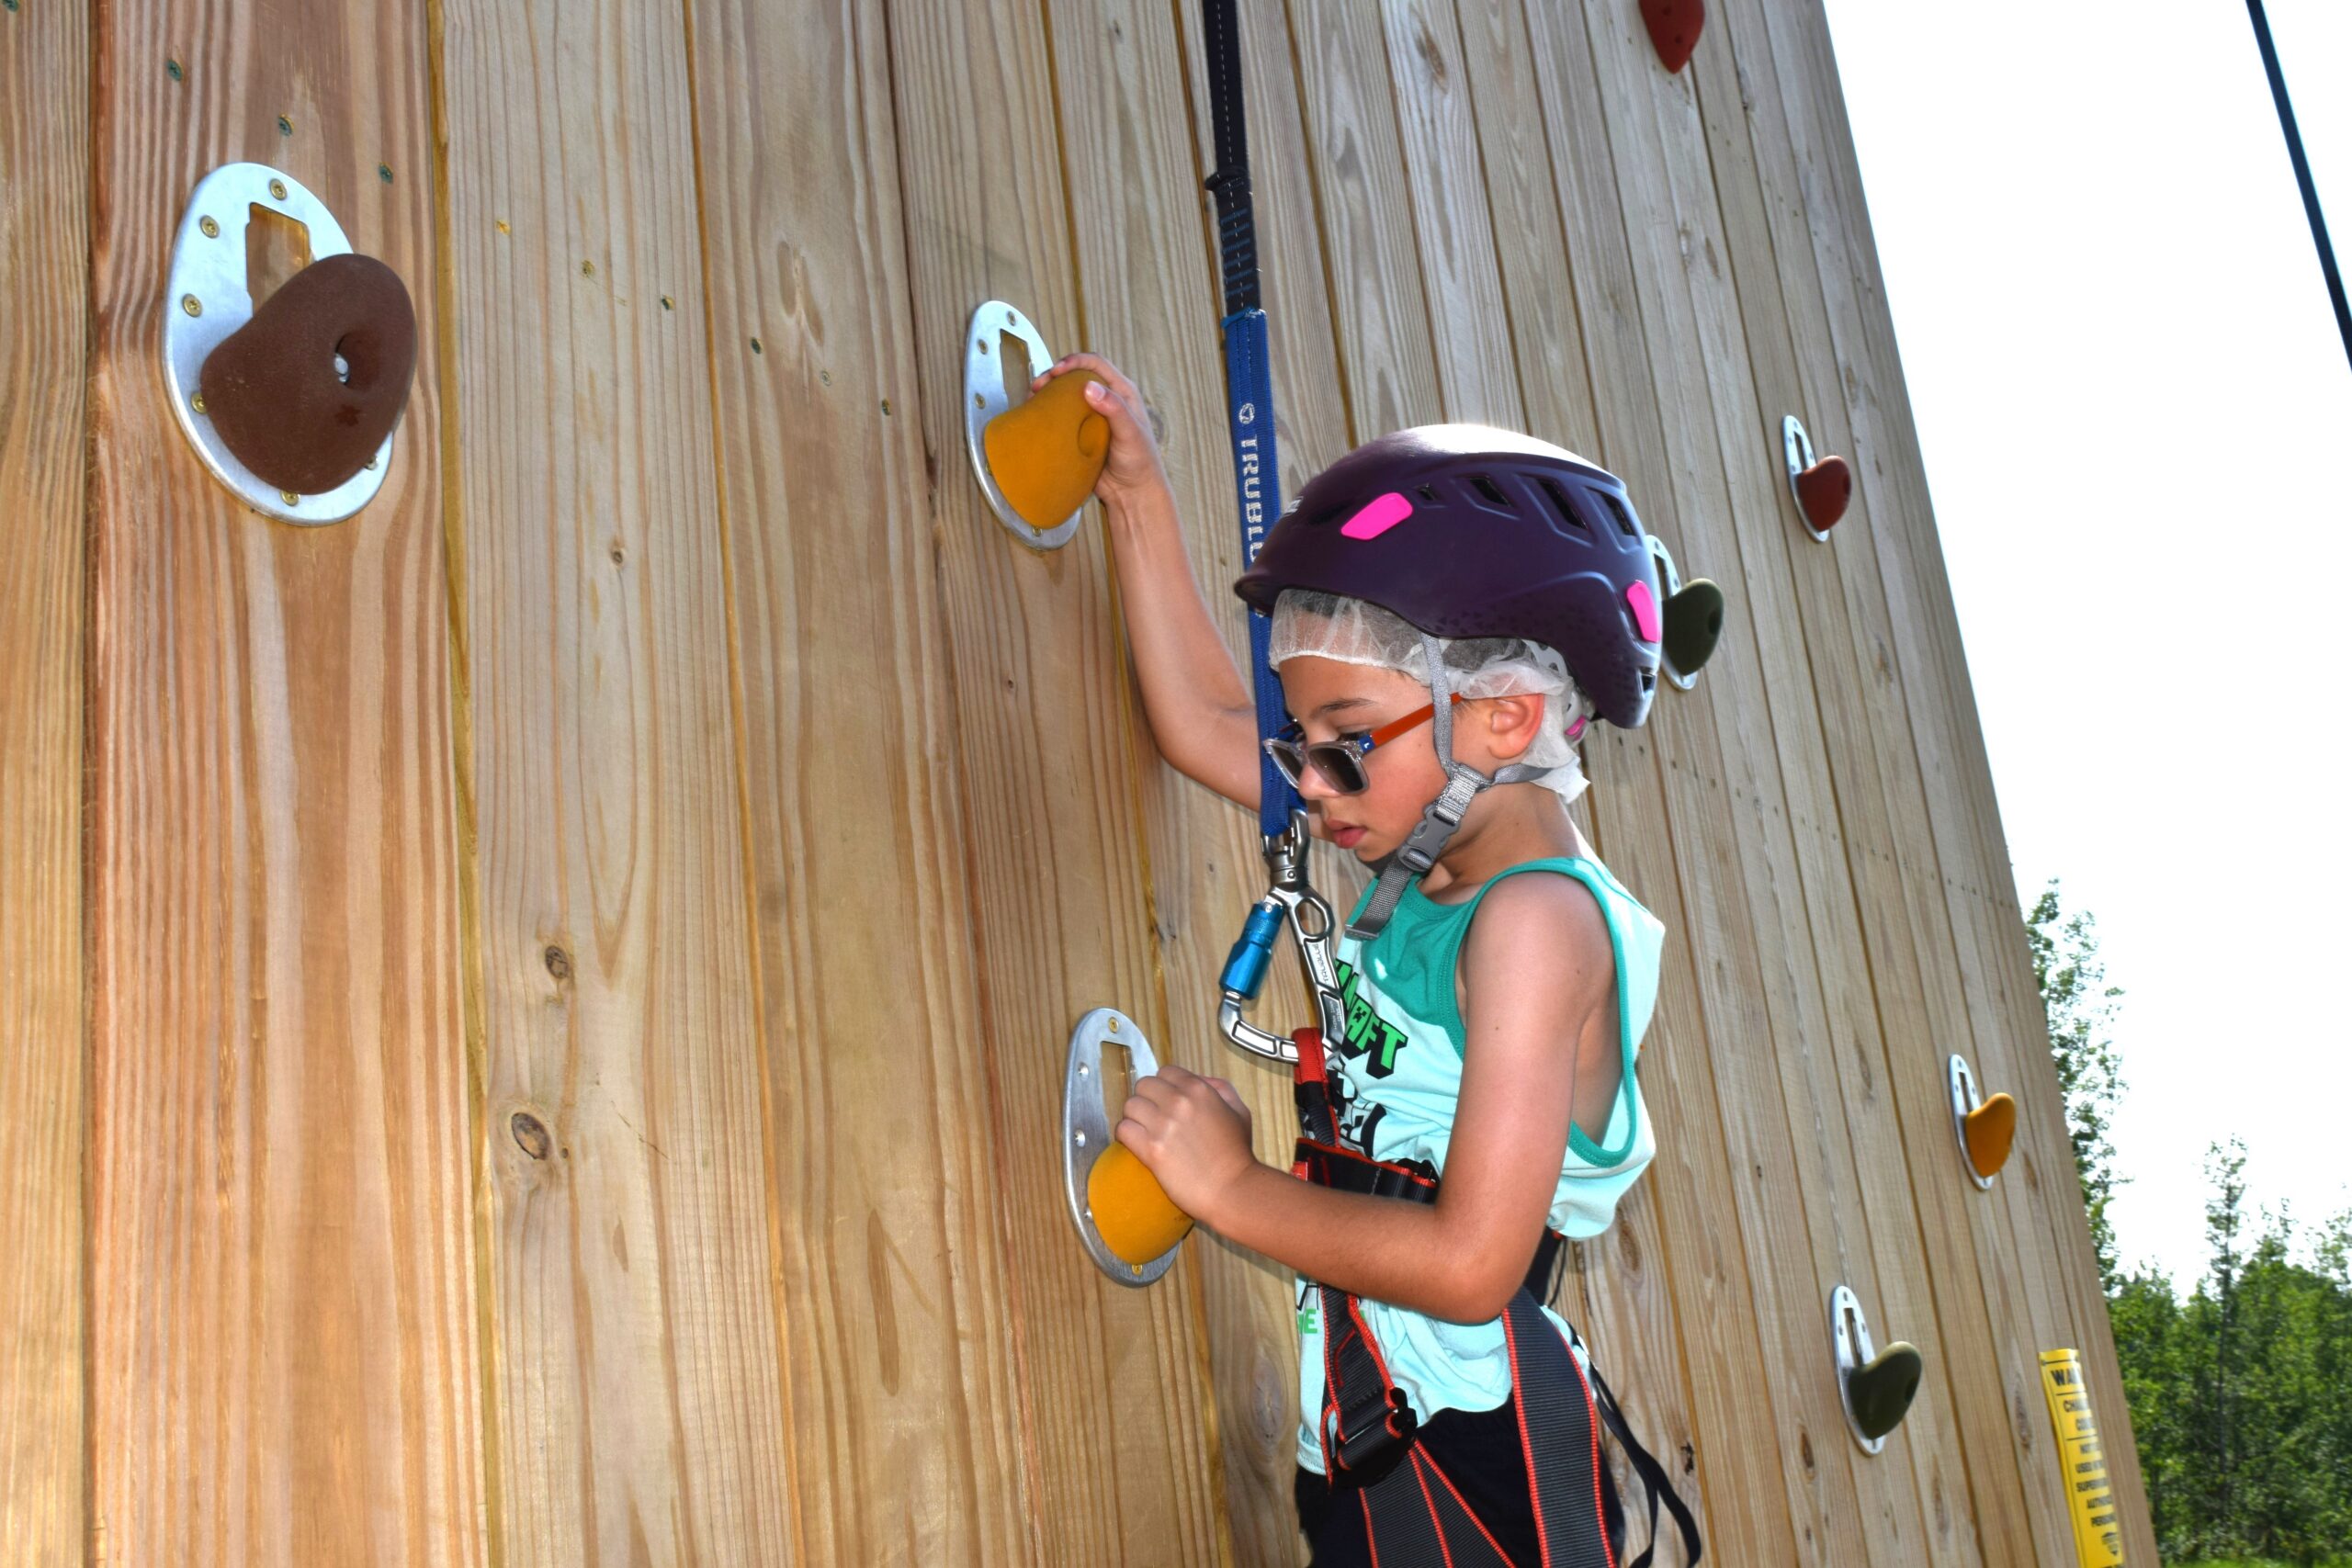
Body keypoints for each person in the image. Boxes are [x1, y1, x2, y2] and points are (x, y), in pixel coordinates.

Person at [1046, 352, 1678, 1568]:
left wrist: (1230, 1191)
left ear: (1499, 721)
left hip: (1472, 1475)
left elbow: (1470, 1262)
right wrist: (1133, 492)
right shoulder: (1420, 859)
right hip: (1378, 1445)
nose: (1310, 784)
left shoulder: (1535, 928)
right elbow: (1200, 727)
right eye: (1307, 746)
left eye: (1343, 746)